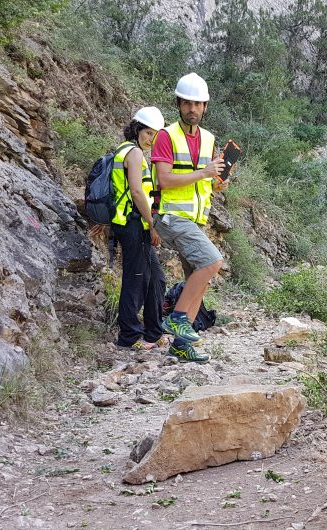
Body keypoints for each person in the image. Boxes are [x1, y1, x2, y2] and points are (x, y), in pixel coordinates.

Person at [151, 73, 230, 364]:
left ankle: (181, 345)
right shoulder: (165, 136)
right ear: (178, 104)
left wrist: (217, 182)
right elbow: (164, 180)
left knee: (199, 278)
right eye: (187, 103)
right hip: (171, 215)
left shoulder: (209, 140)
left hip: (195, 219)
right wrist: (204, 173)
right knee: (212, 262)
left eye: (197, 103)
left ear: (205, 106)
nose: (192, 109)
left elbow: (205, 181)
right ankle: (177, 318)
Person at [111, 106, 168, 351]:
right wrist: (151, 223)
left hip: (134, 223)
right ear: (137, 129)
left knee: (156, 277)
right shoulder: (133, 153)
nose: (151, 139)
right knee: (135, 280)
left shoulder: (129, 151)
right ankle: (129, 337)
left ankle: (154, 332)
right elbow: (136, 191)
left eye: (154, 135)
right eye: (147, 133)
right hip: (132, 223)